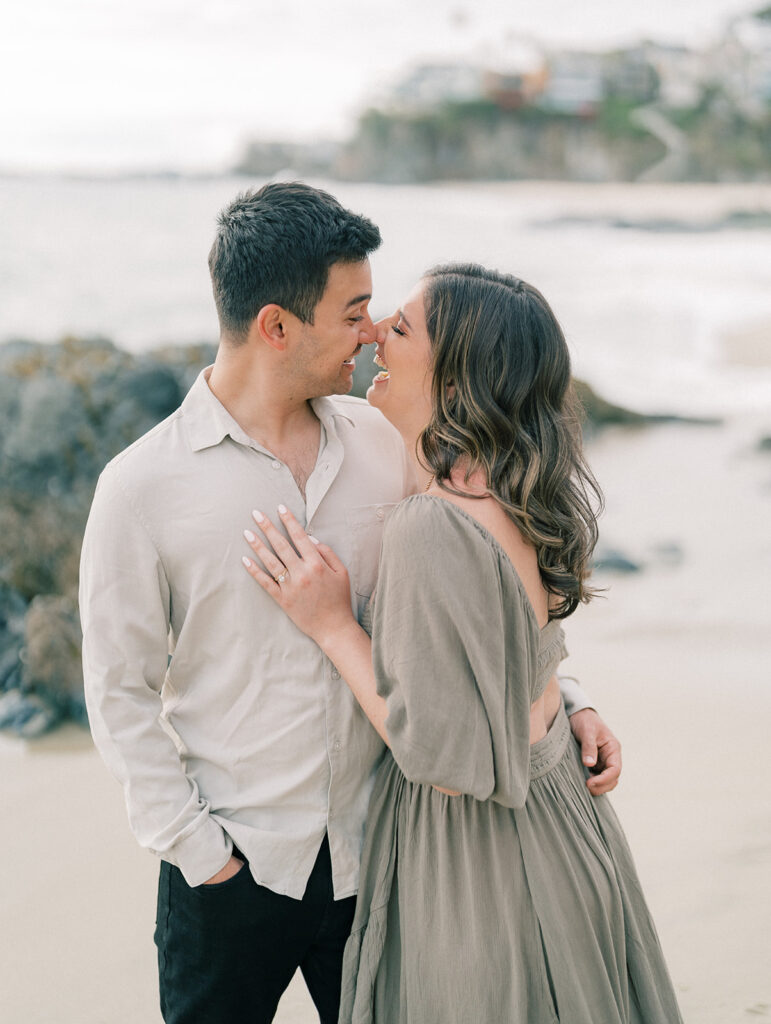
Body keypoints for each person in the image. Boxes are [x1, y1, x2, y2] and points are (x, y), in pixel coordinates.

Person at [79, 183, 621, 1024]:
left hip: (383, 861)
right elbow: (118, 690)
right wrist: (201, 856)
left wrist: (565, 703)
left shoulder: (383, 438)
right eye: (354, 310)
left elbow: (473, 599)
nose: (370, 333)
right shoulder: (142, 487)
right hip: (232, 870)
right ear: (277, 326)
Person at [242, 263, 683, 1022]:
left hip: (482, 858)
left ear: (453, 385)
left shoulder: (430, 525)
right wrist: (574, 704)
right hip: (566, 822)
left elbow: (444, 767)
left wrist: (331, 623)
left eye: (402, 329)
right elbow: (517, 659)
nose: (375, 331)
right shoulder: (515, 492)